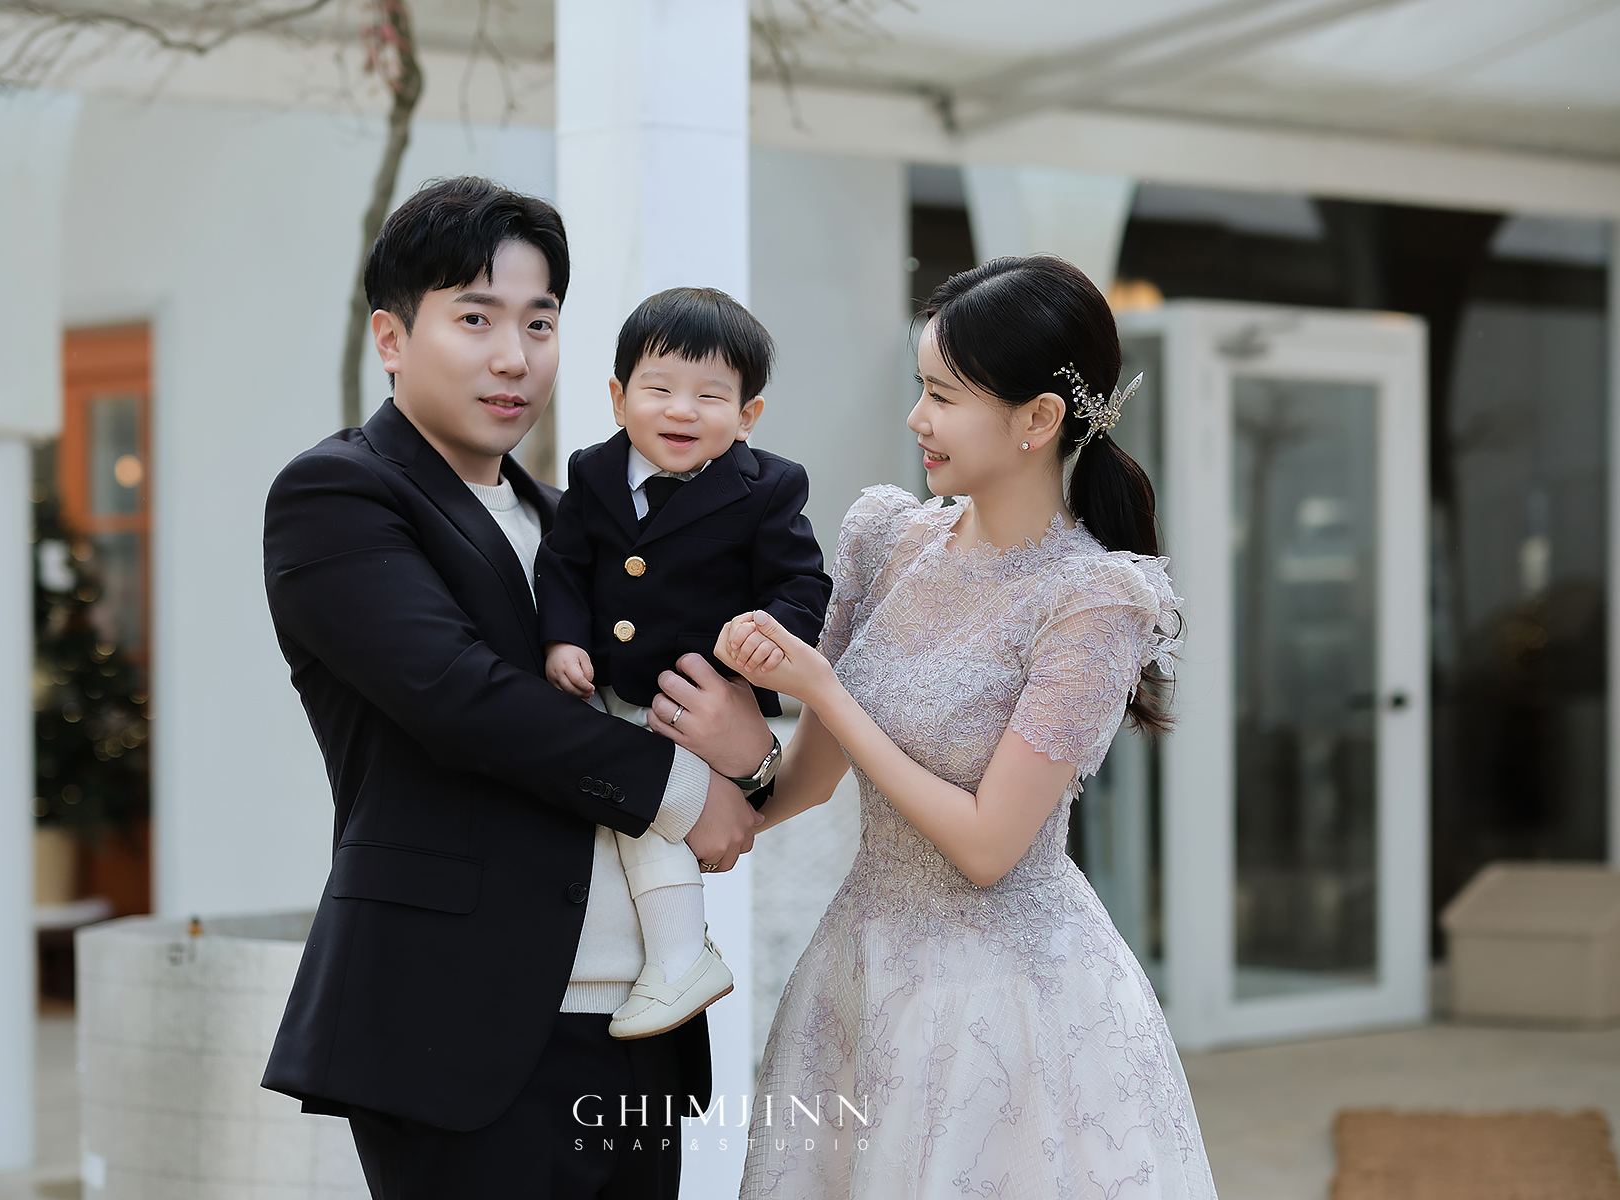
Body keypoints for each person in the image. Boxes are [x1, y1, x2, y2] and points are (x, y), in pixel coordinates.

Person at [257, 176, 775, 1200]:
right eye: (476, 318)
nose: (515, 357)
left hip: (639, 1024)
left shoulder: (583, 520)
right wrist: (682, 789)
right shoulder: (338, 493)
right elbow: (461, 697)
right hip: (461, 1030)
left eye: (540, 323)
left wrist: (749, 756)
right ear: (391, 337)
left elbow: (695, 691)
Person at [711, 256, 1220, 1197]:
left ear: (1038, 418)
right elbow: (809, 782)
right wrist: (713, 800)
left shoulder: (1094, 599)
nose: (918, 419)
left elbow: (989, 848)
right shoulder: (887, 538)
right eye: (921, 389)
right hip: (861, 965)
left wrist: (825, 690)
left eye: (943, 397)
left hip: (1009, 998)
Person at [535, 286, 832, 1041]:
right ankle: (673, 959)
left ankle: (678, 959)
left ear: (747, 416)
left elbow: (802, 583)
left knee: (642, 815)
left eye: (710, 396)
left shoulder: (768, 488)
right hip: (609, 688)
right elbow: (563, 565)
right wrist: (562, 640)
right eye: (659, 389)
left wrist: (767, 647)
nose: (681, 411)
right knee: (629, 813)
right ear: (618, 398)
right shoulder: (593, 474)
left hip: (698, 702)